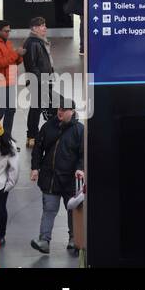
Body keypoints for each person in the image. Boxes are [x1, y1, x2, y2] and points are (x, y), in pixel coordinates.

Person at [30, 102, 84, 256]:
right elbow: (38, 148)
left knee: (72, 210)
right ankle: (44, 240)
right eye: (59, 109)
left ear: (72, 111)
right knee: (49, 209)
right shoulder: (48, 127)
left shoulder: (79, 130)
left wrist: (80, 168)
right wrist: (35, 168)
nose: (60, 112)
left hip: (70, 180)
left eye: (64, 109)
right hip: (50, 178)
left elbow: (83, 153)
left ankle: (74, 239)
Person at [21, 18, 55, 149]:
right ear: (34, 28)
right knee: (36, 109)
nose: (44, 27)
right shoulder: (32, 43)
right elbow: (31, 65)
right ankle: (32, 136)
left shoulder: (40, 41)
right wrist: (41, 81)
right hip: (39, 81)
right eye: (41, 26)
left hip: (45, 79)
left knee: (43, 106)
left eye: (45, 25)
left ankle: (41, 134)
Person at [0, 21, 22, 142]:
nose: (8, 33)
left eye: (9, 30)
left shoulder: (7, 43)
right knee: (1, 111)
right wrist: (15, 54)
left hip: (10, 82)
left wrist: (19, 56)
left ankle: (6, 138)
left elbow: (12, 61)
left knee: (11, 110)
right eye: (6, 31)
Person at [0, 114, 17, 247]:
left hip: (1, 182)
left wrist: (9, 184)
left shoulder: (8, 145)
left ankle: (1, 234)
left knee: (0, 209)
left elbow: (14, 167)